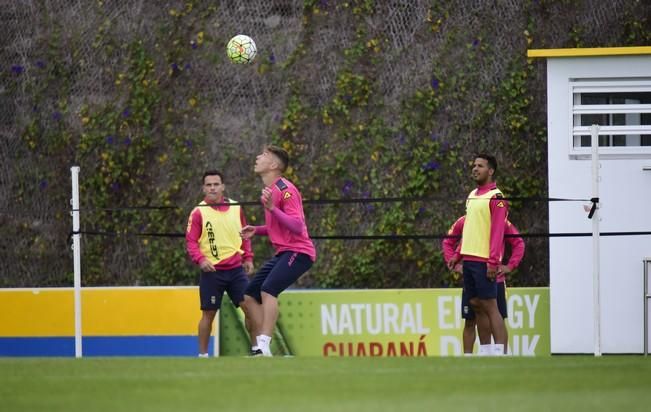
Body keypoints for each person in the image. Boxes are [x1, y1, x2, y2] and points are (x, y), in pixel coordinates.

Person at [240, 145, 316, 357]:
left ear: (273, 165)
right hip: (284, 252)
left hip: (299, 252)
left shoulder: (285, 189)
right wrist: (257, 230)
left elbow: (297, 226)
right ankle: (258, 347)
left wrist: (273, 208)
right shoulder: (271, 190)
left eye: (263, 155)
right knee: (248, 297)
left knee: (268, 289)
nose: (257, 157)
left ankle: (265, 343)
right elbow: (279, 227)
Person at [185, 170, 254, 357]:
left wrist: (248, 257)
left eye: (216, 184)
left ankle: (257, 351)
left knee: (251, 308)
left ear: (223, 186)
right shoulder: (198, 212)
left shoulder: (236, 207)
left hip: (236, 270)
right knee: (208, 314)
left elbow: (245, 233)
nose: (213, 188)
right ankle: (203, 355)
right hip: (212, 272)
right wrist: (201, 260)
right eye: (209, 185)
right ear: (203, 188)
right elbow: (191, 242)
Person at [447, 154, 509, 355]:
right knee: (476, 305)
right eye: (474, 165)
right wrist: (458, 254)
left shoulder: (497, 198)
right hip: (469, 259)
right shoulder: (472, 194)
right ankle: (486, 352)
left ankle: (501, 353)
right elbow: (469, 230)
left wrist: (493, 261)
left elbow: (498, 231)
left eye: (480, 166)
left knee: (491, 306)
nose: (475, 168)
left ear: (490, 171)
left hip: (484, 260)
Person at [442, 216, 525, 354]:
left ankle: (500, 355)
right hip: (473, 277)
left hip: (494, 278)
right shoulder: (465, 221)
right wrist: (457, 265)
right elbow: (448, 242)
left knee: (496, 316)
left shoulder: (501, 221)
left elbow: (519, 243)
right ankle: (476, 357)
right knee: (470, 320)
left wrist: (510, 266)